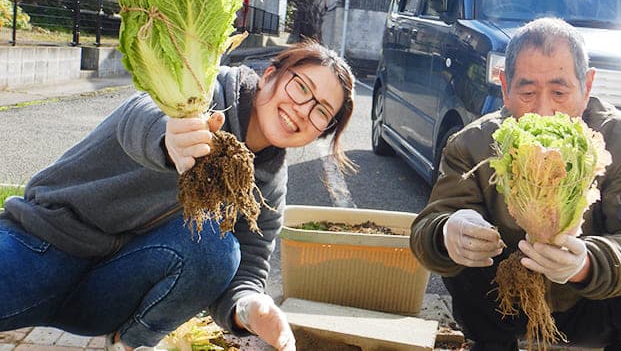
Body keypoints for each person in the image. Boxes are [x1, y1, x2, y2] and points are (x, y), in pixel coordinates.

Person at [0, 41, 355, 351]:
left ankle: (130, 342)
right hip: (42, 246)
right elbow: (138, 115)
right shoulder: (203, 92)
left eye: (321, 111)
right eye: (300, 88)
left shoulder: (269, 181)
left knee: (219, 248)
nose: (302, 110)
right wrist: (170, 140)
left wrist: (251, 306)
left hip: (108, 292)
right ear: (270, 75)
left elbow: (250, 264)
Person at [410, 18, 621, 351]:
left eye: (560, 92)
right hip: (509, 302)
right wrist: (445, 232)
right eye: (527, 92)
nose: (544, 111)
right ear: (505, 88)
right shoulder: (471, 146)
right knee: (462, 254)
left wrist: (588, 264)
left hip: (593, 307)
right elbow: (427, 229)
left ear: (587, 85)